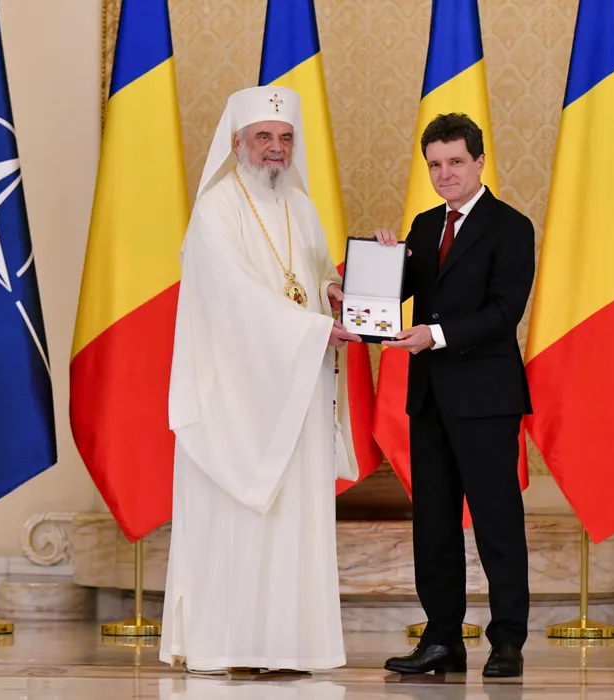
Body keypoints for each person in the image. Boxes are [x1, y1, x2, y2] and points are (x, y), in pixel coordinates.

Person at [160, 85, 361, 674]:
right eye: (264, 136)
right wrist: (313, 330)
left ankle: (291, 646)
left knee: (296, 518)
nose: (276, 147)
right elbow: (231, 298)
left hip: (296, 389)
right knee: (238, 518)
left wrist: (332, 292)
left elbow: (313, 274)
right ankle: (229, 646)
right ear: (237, 142)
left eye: (285, 137)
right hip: (235, 398)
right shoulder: (216, 208)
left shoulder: (300, 205)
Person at [376, 113, 535, 678]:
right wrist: (380, 266)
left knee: (497, 523)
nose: (445, 173)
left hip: (487, 399)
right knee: (434, 526)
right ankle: (442, 638)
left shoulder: (511, 227)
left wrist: (436, 336)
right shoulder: (423, 226)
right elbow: (397, 295)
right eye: (435, 164)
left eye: (455, 162)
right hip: (430, 399)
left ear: (479, 162)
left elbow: (503, 312)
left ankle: (508, 641)